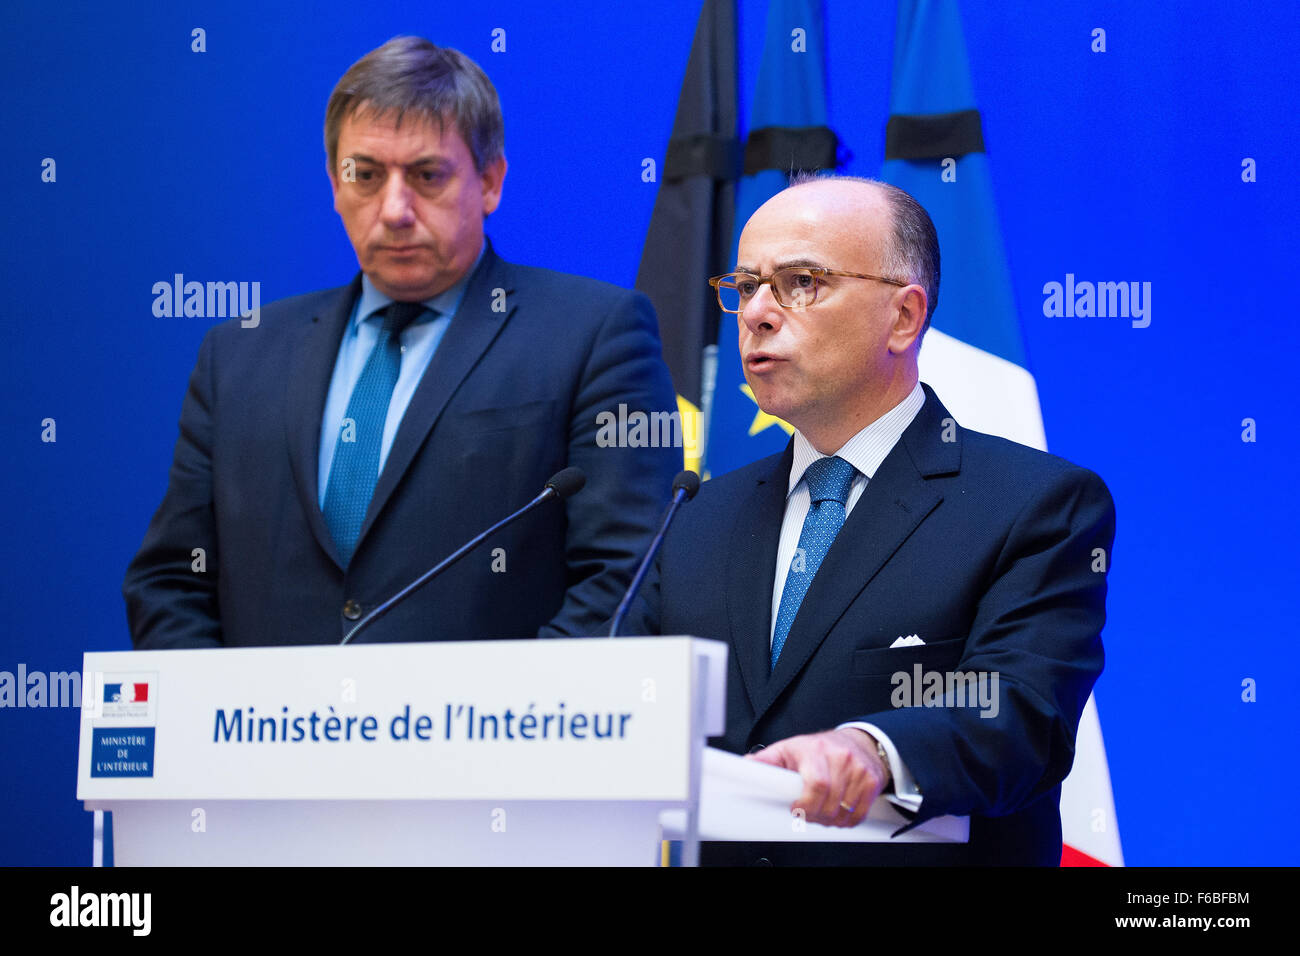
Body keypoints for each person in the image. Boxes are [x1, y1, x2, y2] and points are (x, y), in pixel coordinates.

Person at [621, 175, 1115, 865]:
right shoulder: (698, 514)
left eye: (800, 282)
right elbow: (627, 710)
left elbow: (1021, 715)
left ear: (904, 317)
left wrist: (871, 751)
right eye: (745, 285)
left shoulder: (1035, 504)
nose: (758, 312)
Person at [124, 37, 679, 648]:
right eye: (364, 175)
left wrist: (502, 730)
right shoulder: (238, 355)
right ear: (335, 185)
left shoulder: (594, 334)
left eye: (426, 175)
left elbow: (624, 579)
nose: (394, 209)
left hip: (490, 736)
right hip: (269, 736)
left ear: (490, 181)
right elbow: (172, 580)